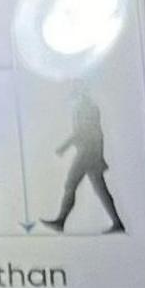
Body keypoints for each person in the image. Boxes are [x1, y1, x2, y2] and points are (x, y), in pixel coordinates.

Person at [44, 91, 124, 233]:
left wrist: (64, 146)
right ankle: (117, 222)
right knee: (100, 190)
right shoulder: (88, 107)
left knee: (71, 184)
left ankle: (61, 221)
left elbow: (82, 131)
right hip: (91, 152)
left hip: (87, 153)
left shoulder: (85, 108)